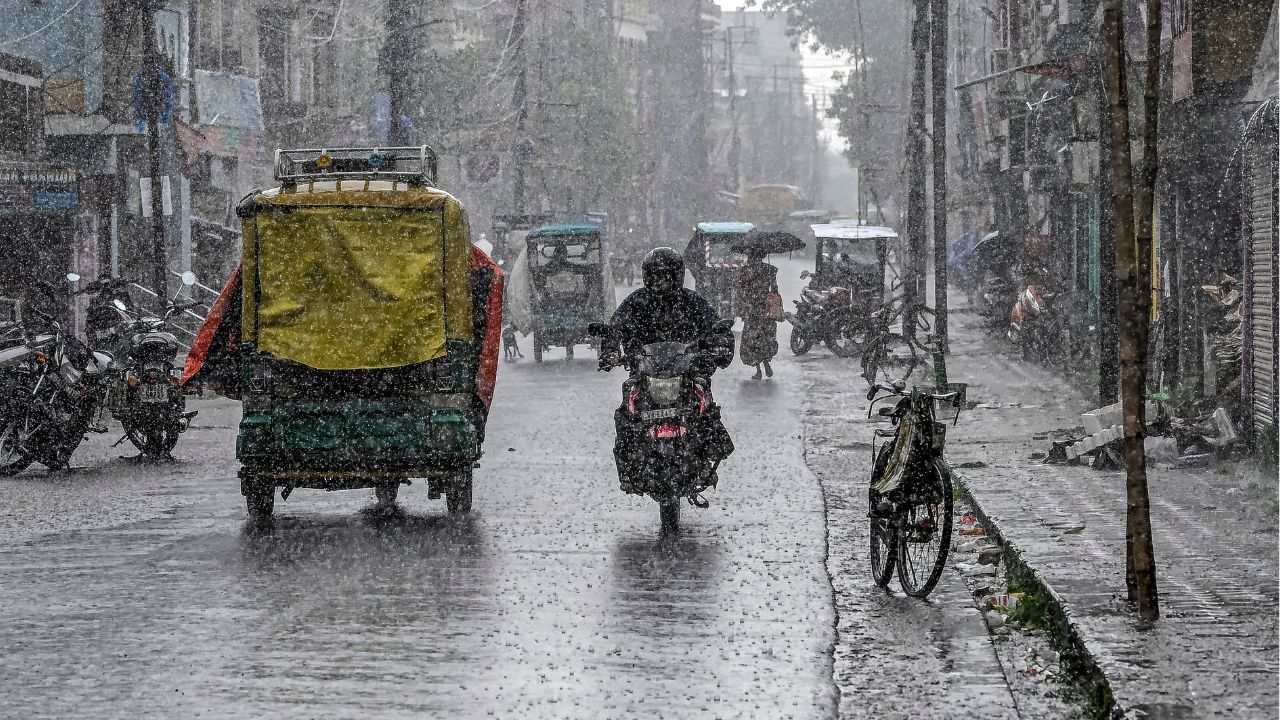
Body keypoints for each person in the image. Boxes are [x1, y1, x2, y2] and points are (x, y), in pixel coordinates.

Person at [599, 247, 735, 493]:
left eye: (667, 276)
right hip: (646, 373)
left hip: (685, 372)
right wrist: (610, 351)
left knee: (705, 404)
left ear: (678, 276)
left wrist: (721, 347)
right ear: (647, 276)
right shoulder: (636, 302)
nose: (661, 282)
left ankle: (710, 453)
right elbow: (615, 327)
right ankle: (628, 468)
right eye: (656, 276)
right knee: (627, 412)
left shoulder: (691, 301)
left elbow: (716, 326)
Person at [738, 249, 779, 379]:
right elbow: (775, 289)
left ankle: (758, 369)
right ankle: (766, 362)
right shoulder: (770, 270)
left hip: (752, 309)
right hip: (766, 308)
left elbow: (742, 290)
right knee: (766, 337)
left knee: (752, 339)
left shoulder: (746, 271)